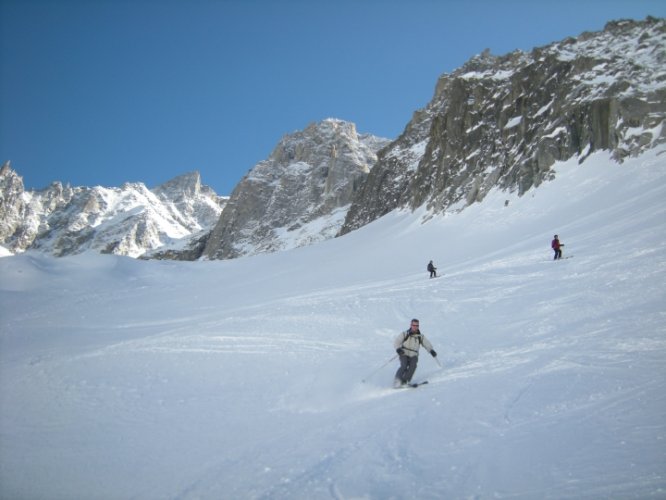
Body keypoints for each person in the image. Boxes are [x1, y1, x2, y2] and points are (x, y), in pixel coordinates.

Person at [393, 319, 437, 387]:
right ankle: (397, 381)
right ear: (411, 325)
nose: (415, 327)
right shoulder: (405, 334)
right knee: (404, 365)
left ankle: (405, 381)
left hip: (413, 355)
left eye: (417, 325)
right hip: (404, 353)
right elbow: (397, 341)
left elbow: (426, 344)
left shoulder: (420, 337)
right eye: (414, 325)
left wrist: (431, 350)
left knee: (413, 366)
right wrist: (398, 349)